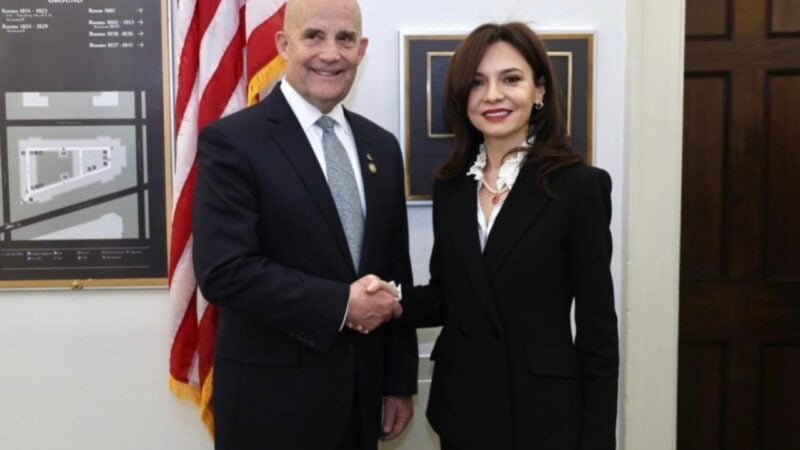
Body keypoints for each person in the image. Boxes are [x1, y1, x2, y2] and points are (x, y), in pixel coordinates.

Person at [365, 22, 619, 450]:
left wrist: (596, 440)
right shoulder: (451, 187)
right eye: (477, 83)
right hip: (464, 409)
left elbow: (598, 331)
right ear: (462, 98)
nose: (493, 95)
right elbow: (448, 296)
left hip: (544, 416)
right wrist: (388, 300)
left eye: (511, 79)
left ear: (539, 92)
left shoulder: (579, 187)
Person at [191, 1, 417, 449]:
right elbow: (224, 271)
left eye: (345, 39)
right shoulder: (233, 141)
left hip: (361, 401)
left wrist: (398, 381)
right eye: (313, 36)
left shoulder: (382, 146)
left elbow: (394, 270)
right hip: (270, 407)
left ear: (361, 49)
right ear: (283, 44)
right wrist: (341, 304)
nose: (330, 54)